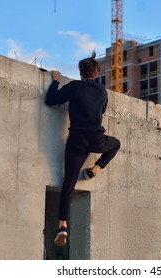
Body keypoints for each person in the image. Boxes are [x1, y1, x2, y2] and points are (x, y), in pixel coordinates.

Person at [45, 51, 120, 246]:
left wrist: (55, 81)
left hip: (77, 140)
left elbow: (51, 100)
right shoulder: (102, 91)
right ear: (97, 73)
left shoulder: (75, 87)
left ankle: (62, 225)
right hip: (96, 140)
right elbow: (102, 110)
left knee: (68, 182)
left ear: (80, 72)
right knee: (116, 143)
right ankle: (96, 169)